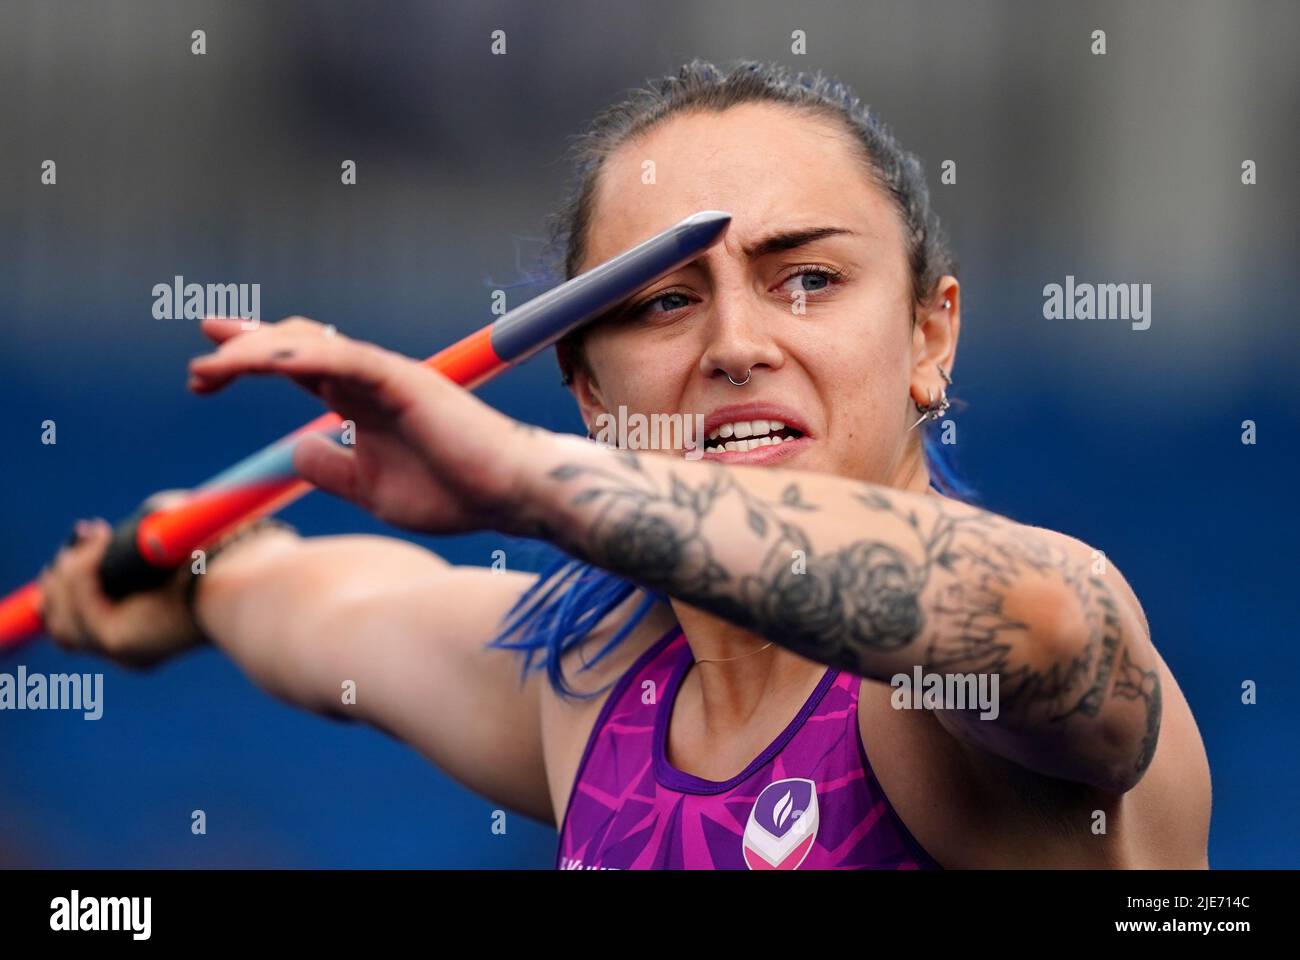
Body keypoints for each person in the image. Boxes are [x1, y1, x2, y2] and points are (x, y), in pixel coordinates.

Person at [38, 60, 1211, 869]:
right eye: (662, 303)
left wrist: (531, 485)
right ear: (591, 396)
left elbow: (1050, 626)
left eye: (809, 277)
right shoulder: (589, 690)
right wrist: (191, 578)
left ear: (927, 336)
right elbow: (333, 607)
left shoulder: (946, 705)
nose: (740, 343)